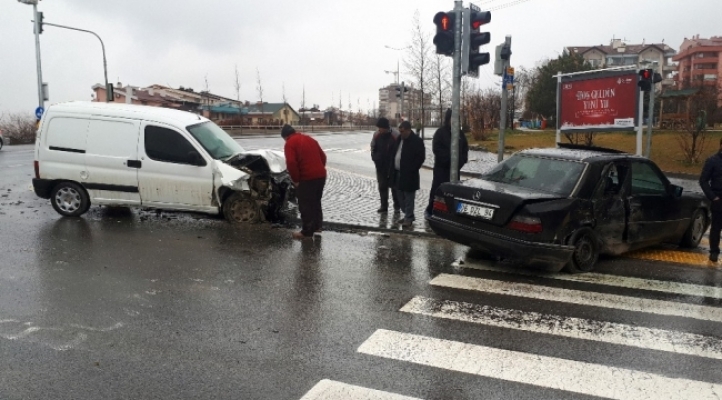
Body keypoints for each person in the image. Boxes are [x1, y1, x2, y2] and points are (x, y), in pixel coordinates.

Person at [281, 124, 327, 240]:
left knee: (305, 205)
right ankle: (317, 226)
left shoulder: (290, 143)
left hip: (307, 178)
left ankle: (306, 233)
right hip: (320, 176)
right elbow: (323, 157)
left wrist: (296, 180)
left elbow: (291, 163)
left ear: (285, 136)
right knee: (316, 202)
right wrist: (319, 169)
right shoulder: (310, 139)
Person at [425, 109, 469, 218]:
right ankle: (431, 210)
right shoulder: (440, 133)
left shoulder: (460, 134)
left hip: (455, 171)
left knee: (454, 192)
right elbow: (437, 149)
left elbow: (465, 149)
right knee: (437, 190)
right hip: (441, 169)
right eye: (452, 119)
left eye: (456, 120)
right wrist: (450, 160)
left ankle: (451, 213)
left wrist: (461, 161)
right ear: (447, 119)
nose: (454, 122)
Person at [391, 121, 426, 227]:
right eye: (399, 131)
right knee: (400, 196)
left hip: (409, 174)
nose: (400, 133)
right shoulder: (399, 139)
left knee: (409, 197)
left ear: (408, 130)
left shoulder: (417, 141)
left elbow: (421, 157)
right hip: (397, 172)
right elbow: (394, 152)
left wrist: (412, 168)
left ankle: (408, 218)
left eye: (402, 131)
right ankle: (408, 214)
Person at [370, 117, 401, 214]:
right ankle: (384, 206)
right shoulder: (376, 135)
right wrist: (375, 159)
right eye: (378, 128)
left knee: (395, 187)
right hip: (380, 166)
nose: (379, 130)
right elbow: (373, 148)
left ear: (386, 127)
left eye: (381, 128)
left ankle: (397, 206)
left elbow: (400, 149)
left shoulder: (395, 135)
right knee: (382, 186)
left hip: (393, 166)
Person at [699, 138, 722, 262]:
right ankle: (714, 251)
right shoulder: (712, 161)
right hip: (718, 200)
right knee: (716, 228)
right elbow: (703, 180)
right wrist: (713, 197)